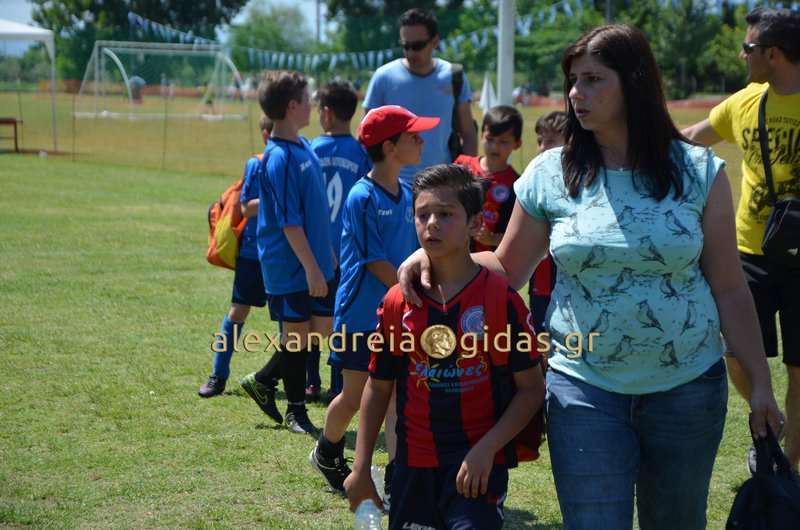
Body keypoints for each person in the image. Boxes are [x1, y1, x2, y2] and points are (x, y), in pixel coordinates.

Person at [398, 25, 783, 529]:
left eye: (594, 79)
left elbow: (729, 287)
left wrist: (760, 385)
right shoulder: (550, 173)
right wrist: (431, 256)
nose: (577, 93)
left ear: (634, 83)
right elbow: (508, 267)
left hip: (687, 389)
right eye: (573, 80)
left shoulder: (697, 170)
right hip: (583, 389)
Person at [344, 164, 545, 529]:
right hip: (412, 465)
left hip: (477, 465)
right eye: (423, 215)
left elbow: (531, 389)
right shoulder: (397, 302)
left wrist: (487, 449)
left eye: (446, 214)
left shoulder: (500, 300)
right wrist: (360, 469)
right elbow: (379, 386)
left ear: (475, 223)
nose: (432, 223)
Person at [682, 6, 800, 474]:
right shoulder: (745, 102)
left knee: (798, 369)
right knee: (735, 354)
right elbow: (690, 138)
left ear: (773, 53)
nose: (741, 54)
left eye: (748, 47)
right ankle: (770, 418)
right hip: (749, 252)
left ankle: (786, 468)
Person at [309, 105, 436, 496]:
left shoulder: (408, 193)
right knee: (353, 397)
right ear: (389, 146)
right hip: (361, 316)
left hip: (397, 313)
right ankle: (327, 451)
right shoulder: (362, 196)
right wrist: (413, 290)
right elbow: (375, 261)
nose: (422, 141)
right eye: (413, 136)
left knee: (397, 395)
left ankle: (397, 476)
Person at [240, 70, 337, 435]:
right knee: (297, 336)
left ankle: (264, 380)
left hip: (314, 259)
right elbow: (289, 223)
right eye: (308, 98)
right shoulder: (277, 157)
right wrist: (311, 268)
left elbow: (314, 210)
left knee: (320, 329)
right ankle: (296, 410)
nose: (312, 104)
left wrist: (326, 252)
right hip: (290, 264)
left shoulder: (303, 145)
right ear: (293, 106)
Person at [198, 115, 274, 400]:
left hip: (284, 252)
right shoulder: (256, 163)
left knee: (292, 321)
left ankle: (305, 381)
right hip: (253, 252)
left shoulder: (296, 158)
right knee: (237, 312)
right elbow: (246, 208)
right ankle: (218, 375)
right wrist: (279, 198)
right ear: (266, 135)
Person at [308, 80, 374, 404]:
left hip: (315, 251)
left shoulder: (310, 149)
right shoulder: (362, 153)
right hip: (349, 254)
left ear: (326, 113)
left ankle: (310, 381)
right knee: (341, 317)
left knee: (311, 319)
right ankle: (339, 384)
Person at [362, 8, 478, 184]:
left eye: (417, 46)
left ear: (435, 42)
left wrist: (468, 178)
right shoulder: (383, 77)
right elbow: (366, 135)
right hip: (392, 184)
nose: (411, 53)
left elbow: (468, 133)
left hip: (441, 183)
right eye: (405, 46)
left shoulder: (454, 76)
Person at [453, 105, 523, 253]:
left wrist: (492, 238)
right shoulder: (461, 165)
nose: (495, 147)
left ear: (517, 144)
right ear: (481, 137)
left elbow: (519, 235)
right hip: (453, 255)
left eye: (503, 142)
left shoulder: (517, 185)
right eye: (490, 139)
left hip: (488, 261)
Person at [528, 111, 567, 331]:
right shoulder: (535, 183)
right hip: (539, 284)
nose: (542, 148)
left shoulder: (585, 184)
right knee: (540, 341)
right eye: (539, 141)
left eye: (550, 141)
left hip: (568, 284)